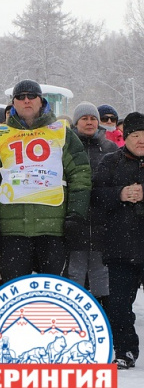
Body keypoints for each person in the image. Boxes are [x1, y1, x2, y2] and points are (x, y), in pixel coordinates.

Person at [0, 80, 91, 283]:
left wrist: (76, 215)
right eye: (20, 97)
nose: (26, 100)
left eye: (32, 96)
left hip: (53, 228)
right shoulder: (0, 135)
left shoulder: (62, 132)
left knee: (51, 293)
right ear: (13, 103)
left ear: (41, 100)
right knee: (15, 293)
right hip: (12, 230)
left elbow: (80, 174)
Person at [94, 112, 144, 368]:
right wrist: (120, 194)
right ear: (126, 137)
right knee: (119, 305)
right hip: (120, 245)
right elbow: (96, 197)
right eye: (135, 135)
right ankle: (125, 349)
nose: (141, 140)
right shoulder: (110, 161)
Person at [66, 102, 117, 306]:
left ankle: (100, 311)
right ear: (76, 122)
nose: (89, 122)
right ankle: (74, 310)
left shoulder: (110, 148)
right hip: (75, 219)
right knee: (75, 270)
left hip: (102, 219)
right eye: (84, 118)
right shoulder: (66, 147)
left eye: (93, 118)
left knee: (100, 270)